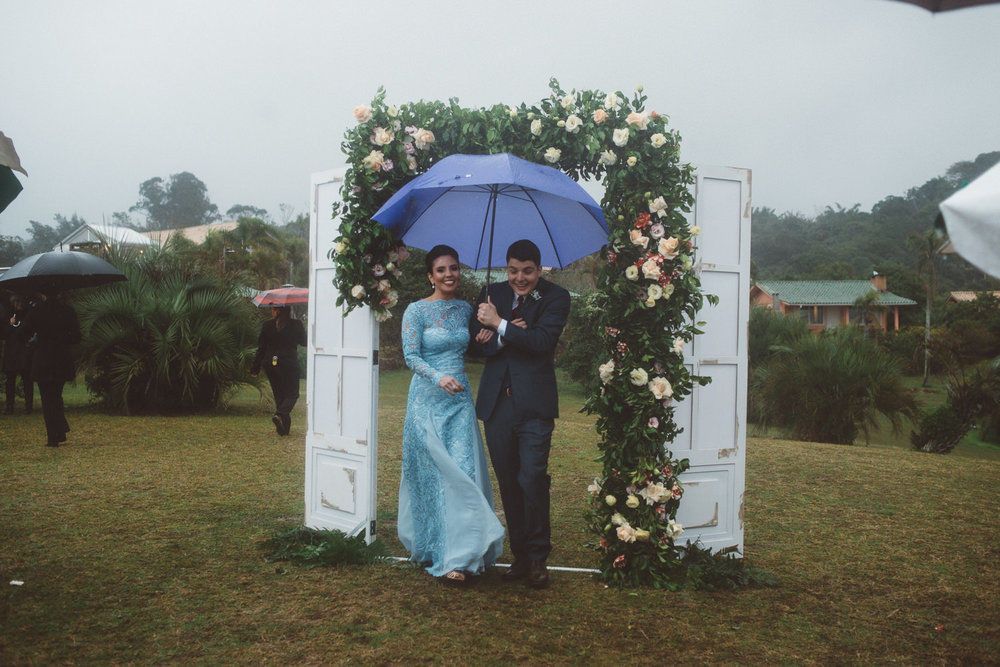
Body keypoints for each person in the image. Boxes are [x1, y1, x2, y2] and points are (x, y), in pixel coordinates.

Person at [397, 244, 504, 586]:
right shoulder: (415, 311)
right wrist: (437, 377)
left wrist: (489, 333)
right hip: (427, 401)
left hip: (459, 403)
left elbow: (474, 346)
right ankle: (437, 549)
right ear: (430, 276)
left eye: (454, 268)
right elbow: (411, 356)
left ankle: (463, 555)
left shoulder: (466, 309)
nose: (449, 274)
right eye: (441, 269)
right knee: (434, 478)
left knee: (464, 472)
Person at [470, 239, 571, 589]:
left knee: (532, 477)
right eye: (513, 270)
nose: (519, 278)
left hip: (535, 407)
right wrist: (503, 334)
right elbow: (474, 345)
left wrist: (498, 324)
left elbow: (542, 343)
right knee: (509, 483)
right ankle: (520, 555)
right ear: (506, 267)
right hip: (497, 406)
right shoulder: (489, 293)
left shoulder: (556, 298)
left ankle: (539, 557)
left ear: (539, 270)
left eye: (527, 271)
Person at [23, 290, 80, 447]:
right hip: (61, 359)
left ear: (43, 294)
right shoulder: (68, 311)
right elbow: (76, 337)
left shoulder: (36, 311)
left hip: (42, 359)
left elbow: (25, 331)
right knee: (56, 396)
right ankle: (59, 430)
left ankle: (53, 436)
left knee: (47, 398)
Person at [251, 305, 307, 436]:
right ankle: (280, 414)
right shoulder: (296, 324)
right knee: (292, 394)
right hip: (288, 363)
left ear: (278, 311)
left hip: (271, 363)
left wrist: (255, 367)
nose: (271, 311)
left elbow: (261, 348)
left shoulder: (267, 325)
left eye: (273, 309)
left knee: (280, 395)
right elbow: (304, 342)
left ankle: (283, 430)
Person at [3, 295, 35, 414]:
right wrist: (11, 324)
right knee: (10, 381)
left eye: (20, 301)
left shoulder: (28, 316)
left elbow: (28, 332)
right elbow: (4, 334)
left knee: (27, 380)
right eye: (16, 302)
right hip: (11, 353)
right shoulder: (8, 316)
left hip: (24, 353)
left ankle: (29, 407)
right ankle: (9, 407)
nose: (18, 304)